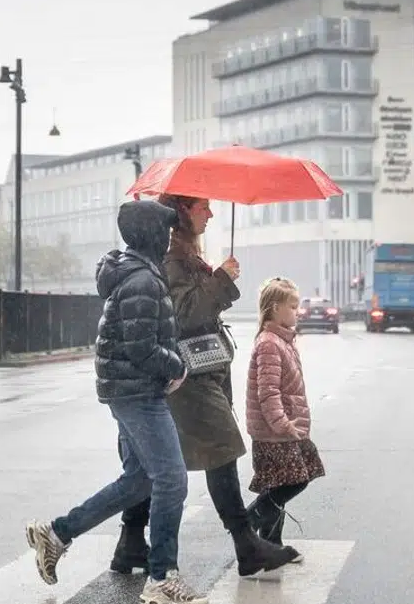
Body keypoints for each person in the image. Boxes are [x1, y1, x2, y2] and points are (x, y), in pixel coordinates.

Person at [25, 199, 208, 604]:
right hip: (138, 392)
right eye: (162, 231)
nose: (167, 238)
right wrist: (176, 364)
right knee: (172, 480)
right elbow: (142, 346)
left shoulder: (135, 273)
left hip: (129, 389)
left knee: (141, 480)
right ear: (149, 234)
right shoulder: (142, 280)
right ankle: (162, 577)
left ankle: (57, 533)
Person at [108, 193, 298, 578]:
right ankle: (246, 543)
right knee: (222, 447)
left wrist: (215, 279)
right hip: (185, 374)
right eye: (202, 207)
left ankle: (130, 542)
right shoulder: (170, 258)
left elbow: (195, 306)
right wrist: (221, 279)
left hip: (191, 373)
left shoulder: (184, 255)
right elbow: (184, 314)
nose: (211, 213)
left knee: (151, 463)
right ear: (182, 212)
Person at [244, 277, 325, 554]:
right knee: (295, 479)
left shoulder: (282, 340)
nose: (297, 311)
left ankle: (270, 544)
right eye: (292, 306)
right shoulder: (269, 343)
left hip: (287, 428)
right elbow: (268, 392)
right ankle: (248, 522)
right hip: (277, 431)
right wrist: (282, 424)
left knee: (280, 483)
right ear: (275, 308)